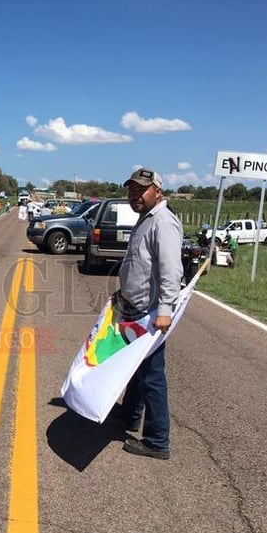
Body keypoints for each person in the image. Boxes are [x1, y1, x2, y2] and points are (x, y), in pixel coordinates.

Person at [115, 168, 183, 460]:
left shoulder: (163, 223)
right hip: (135, 306)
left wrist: (165, 310)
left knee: (152, 376)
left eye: (140, 190)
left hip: (151, 311)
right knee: (136, 369)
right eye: (131, 190)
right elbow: (139, 264)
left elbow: (171, 270)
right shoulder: (146, 219)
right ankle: (129, 417)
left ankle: (157, 440)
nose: (135, 195)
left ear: (157, 190)